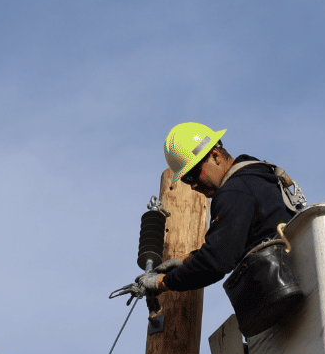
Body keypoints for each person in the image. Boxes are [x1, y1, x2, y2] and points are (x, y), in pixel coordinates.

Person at [127, 122, 305, 297]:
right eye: (186, 180)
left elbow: (215, 262)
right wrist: (184, 260)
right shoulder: (255, 178)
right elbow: (235, 240)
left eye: (193, 174)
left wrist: (161, 283)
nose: (193, 185)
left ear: (215, 156)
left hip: (285, 287)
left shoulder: (234, 191)